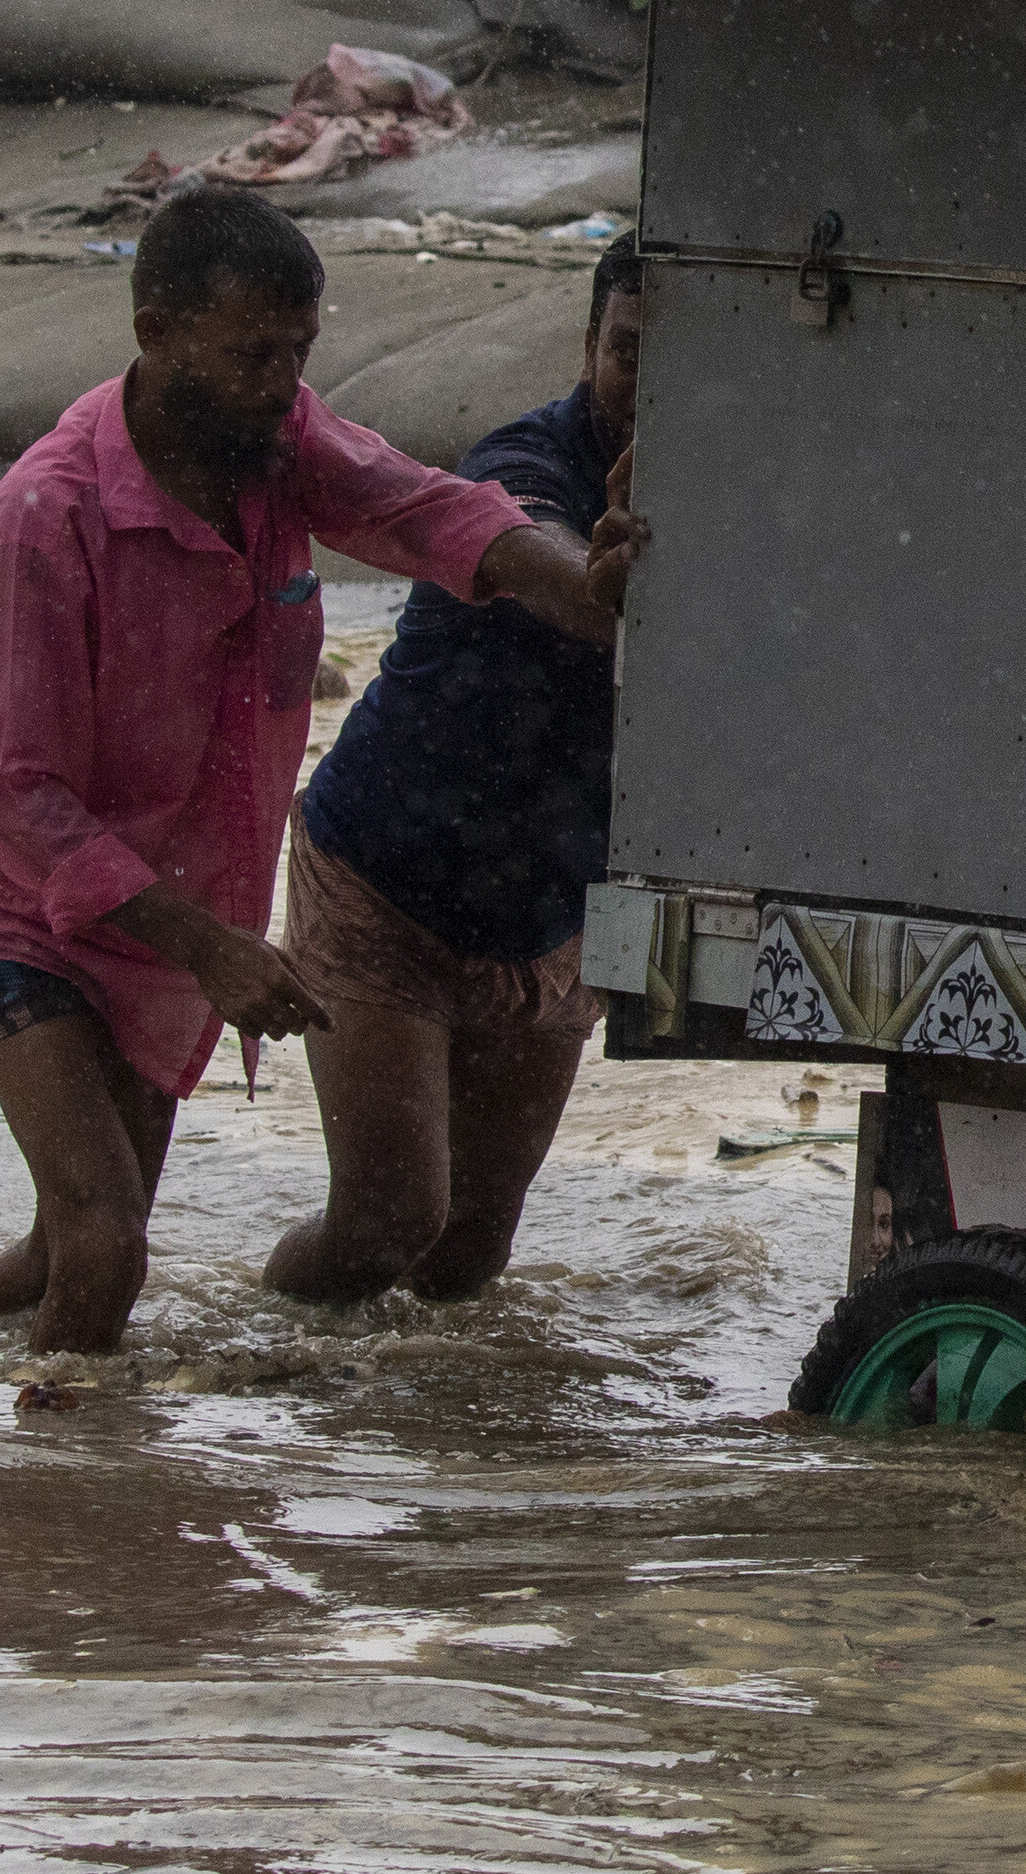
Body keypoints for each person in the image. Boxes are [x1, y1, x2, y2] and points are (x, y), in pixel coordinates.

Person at [0, 187, 642, 1354]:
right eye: (253, 354)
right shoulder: (43, 517)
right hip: (21, 911)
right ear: (157, 334)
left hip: (168, 920)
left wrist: (592, 593)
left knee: (71, 1245)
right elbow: (17, 796)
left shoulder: (277, 448)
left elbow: (437, 515)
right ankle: (56, 1512)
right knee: (106, 1251)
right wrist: (211, 950)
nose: (281, 384)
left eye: (298, 353)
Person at [265, 239, 647, 1303]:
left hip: (545, 915)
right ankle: (259, 1366)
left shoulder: (761, 512)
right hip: (386, 884)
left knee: (469, 1253)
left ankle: (430, 1459)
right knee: (384, 1226)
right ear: (585, 350)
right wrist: (613, 580)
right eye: (627, 354)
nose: (648, 389)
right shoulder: (517, 466)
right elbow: (562, 579)